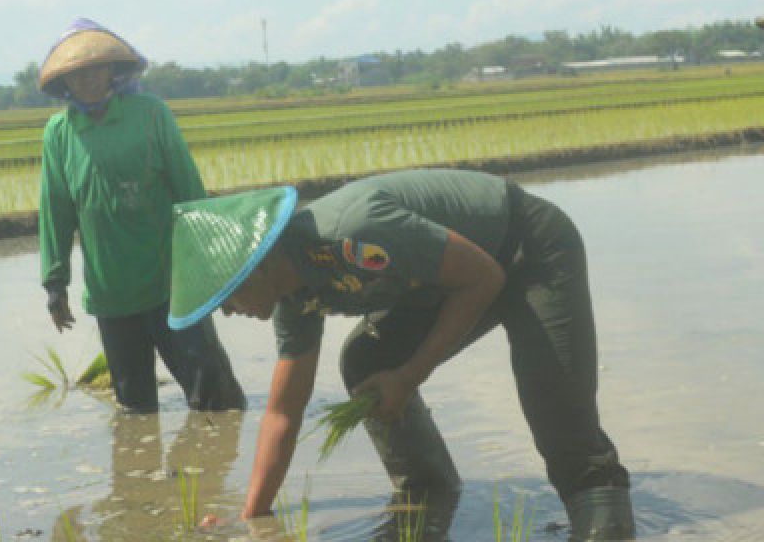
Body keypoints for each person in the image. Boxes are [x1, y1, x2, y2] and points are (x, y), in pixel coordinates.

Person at [167, 169, 635, 541]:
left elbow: (485, 278)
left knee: (556, 407)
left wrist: (410, 376)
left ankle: (602, 515)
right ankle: (428, 496)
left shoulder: (350, 233)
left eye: (226, 297)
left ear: (257, 266)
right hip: (453, 279)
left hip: (527, 250)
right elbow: (282, 414)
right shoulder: (293, 295)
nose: (227, 312)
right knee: (368, 364)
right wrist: (254, 520)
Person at [37, 18, 245, 413]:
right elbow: (56, 210)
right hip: (111, 293)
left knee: (216, 400)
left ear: (112, 70)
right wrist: (54, 283)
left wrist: (217, 269)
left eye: (95, 69)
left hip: (173, 286)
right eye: (77, 74)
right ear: (65, 81)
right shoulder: (59, 133)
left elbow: (189, 191)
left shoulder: (150, 114)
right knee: (135, 410)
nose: (88, 80)